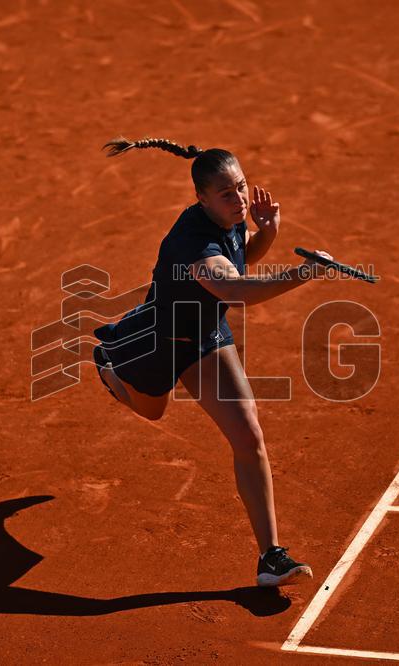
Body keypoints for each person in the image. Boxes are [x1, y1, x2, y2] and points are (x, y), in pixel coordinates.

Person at [91, 136, 334, 587]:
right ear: (201, 198)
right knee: (152, 410)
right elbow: (235, 291)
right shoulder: (192, 242)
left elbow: (240, 263)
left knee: (248, 434)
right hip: (160, 340)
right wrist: (304, 273)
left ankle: (271, 556)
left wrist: (269, 233)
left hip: (205, 336)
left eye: (241, 186)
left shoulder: (230, 218)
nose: (239, 198)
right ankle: (112, 358)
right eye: (226, 193)